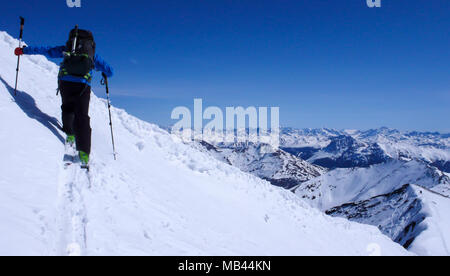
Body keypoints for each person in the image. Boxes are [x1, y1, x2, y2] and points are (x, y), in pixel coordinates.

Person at [14, 27, 113, 166]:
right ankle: (84, 153)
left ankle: (70, 134)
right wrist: (100, 70)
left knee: (67, 108)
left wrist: (24, 50)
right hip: (83, 86)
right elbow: (110, 71)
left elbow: (46, 50)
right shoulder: (92, 54)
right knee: (82, 116)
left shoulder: (66, 49)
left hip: (66, 83)